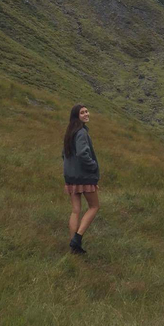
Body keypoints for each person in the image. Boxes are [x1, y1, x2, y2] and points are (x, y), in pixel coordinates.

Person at [62, 104, 100, 255]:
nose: (86, 114)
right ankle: (77, 238)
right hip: (84, 177)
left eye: (86, 111)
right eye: (82, 112)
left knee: (75, 210)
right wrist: (93, 166)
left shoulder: (70, 132)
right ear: (76, 116)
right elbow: (83, 154)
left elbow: (64, 154)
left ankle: (73, 246)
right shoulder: (82, 133)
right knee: (94, 206)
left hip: (71, 177)